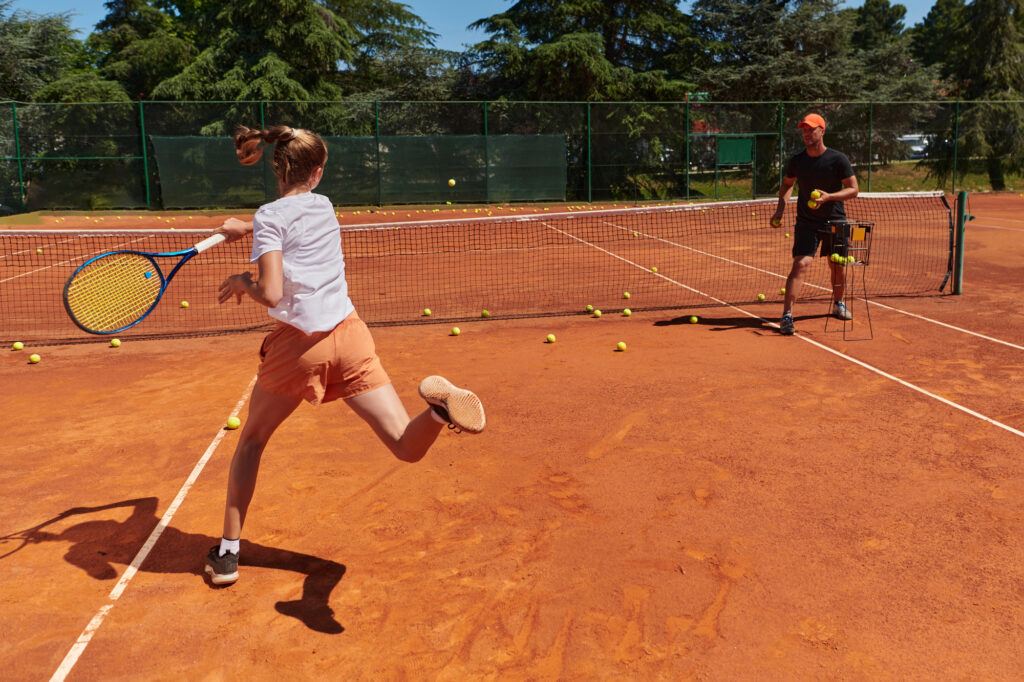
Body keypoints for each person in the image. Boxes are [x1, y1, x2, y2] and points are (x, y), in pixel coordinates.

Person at [204, 125, 485, 586]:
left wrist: (242, 282)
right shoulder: (324, 204)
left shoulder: (271, 216)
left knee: (251, 441)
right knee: (402, 444)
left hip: (299, 347)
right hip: (352, 337)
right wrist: (248, 227)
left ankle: (229, 555)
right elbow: (292, 214)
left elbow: (273, 292)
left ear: (276, 167)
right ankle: (436, 413)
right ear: (317, 173)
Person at [770, 113, 859, 335]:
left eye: (811, 129)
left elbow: (854, 189)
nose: (807, 133)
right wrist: (780, 209)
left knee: (836, 264)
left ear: (822, 131)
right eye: (804, 130)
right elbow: (787, 184)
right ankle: (787, 315)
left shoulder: (838, 159)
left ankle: (839, 303)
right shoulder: (797, 160)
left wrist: (829, 197)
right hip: (807, 222)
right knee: (800, 264)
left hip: (836, 220)